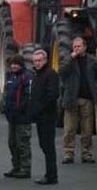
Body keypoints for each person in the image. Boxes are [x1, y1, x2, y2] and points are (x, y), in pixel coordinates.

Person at [59, 37, 97, 164]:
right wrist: (71, 57)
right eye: (74, 47)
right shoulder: (69, 60)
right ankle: (68, 153)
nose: (77, 49)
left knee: (87, 130)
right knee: (69, 129)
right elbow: (61, 71)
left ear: (85, 47)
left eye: (79, 46)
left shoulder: (92, 61)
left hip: (87, 99)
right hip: (71, 98)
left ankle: (87, 153)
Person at [29, 49, 60, 185]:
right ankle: (49, 174)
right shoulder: (36, 75)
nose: (37, 63)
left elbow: (52, 95)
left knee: (48, 147)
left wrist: (40, 108)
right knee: (44, 145)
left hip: (47, 116)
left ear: (45, 60)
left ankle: (51, 175)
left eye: (39, 60)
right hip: (39, 116)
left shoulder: (51, 74)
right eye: (35, 61)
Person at [3, 55, 32, 179]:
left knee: (23, 143)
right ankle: (16, 167)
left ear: (21, 64)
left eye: (16, 64)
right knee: (12, 143)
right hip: (12, 117)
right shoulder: (11, 76)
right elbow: (7, 94)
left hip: (23, 117)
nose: (14, 66)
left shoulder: (26, 77)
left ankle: (25, 168)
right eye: (12, 64)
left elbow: (27, 97)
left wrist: (19, 110)